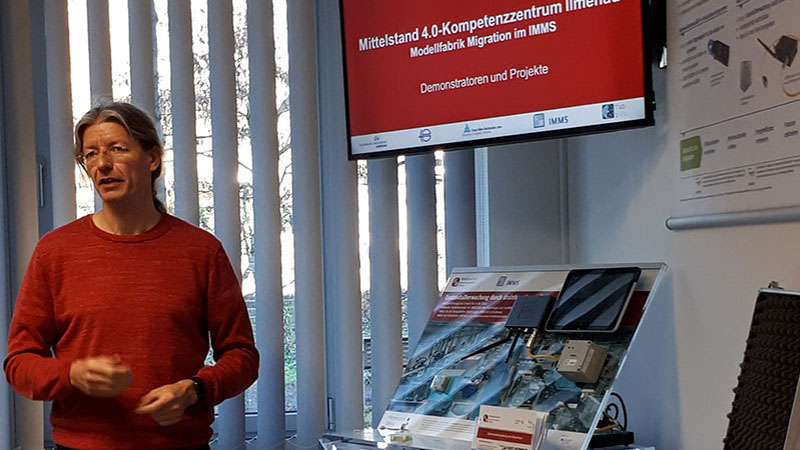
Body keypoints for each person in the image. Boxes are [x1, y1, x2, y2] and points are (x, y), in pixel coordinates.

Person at [3, 102, 259, 449]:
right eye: (90, 154)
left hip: (179, 444)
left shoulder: (200, 251)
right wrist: (70, 374)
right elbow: (19, 363)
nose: (102, 164)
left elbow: (242, 356)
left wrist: (196, 390)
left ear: (152, 158)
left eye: (117, 149)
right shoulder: (55, 251)